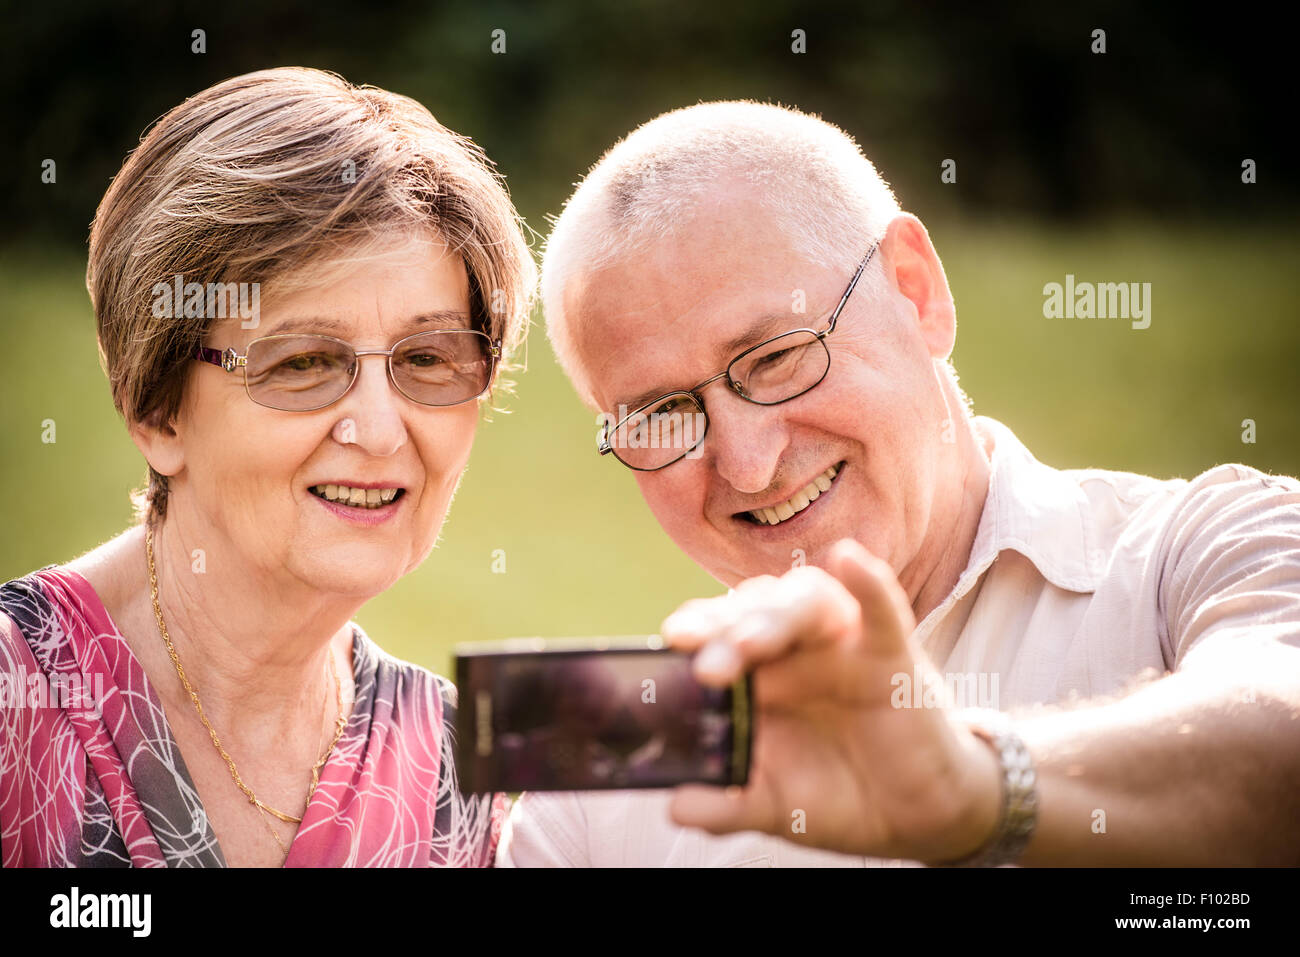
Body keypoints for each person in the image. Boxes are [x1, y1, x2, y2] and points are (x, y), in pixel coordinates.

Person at [498, 100, 1300, 867]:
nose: (747, 463)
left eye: (777, 357)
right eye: (664, 414)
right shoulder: (607, 745)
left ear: (916, 291)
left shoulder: (1205, 546)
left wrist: (978, 789)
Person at [0, 67, 535, 867]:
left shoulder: (455, 777)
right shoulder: (17, 703)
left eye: (428, 357)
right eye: (303, 362)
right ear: (157, 411)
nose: (383, 431)